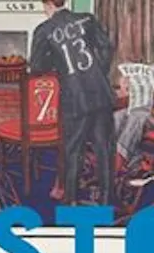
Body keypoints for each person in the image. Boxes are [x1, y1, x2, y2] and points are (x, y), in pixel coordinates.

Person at [29, 0, 115, 204]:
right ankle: (106, 199)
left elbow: (37, 67)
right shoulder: (87, 19)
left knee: (72, 150)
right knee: (104, 148)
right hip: (100, 93)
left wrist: (57, 62)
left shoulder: (43, 30)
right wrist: (96, 75)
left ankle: (71, 201)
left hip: (74, 99)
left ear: (48, 4)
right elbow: (106, 48)